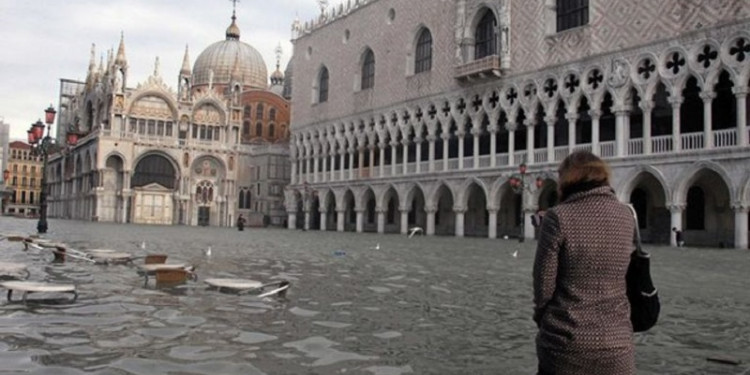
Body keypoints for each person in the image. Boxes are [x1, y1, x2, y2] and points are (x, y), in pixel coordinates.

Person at [533, 151, 636, 375]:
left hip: (566, 342)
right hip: (617, 344)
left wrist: (544, 320)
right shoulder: (627, 216)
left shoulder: (558, 217)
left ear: (567, 178)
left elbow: (543, 284)